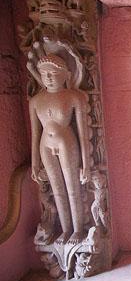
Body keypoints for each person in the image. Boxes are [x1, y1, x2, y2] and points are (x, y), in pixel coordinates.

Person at [30, 54, 90, 245]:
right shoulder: (36, 101)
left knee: (72, 188)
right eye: (44, 73)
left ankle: (78, 230)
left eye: (53, 73)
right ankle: (66, 230)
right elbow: (35, 134)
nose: (48, 77)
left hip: (66, 143)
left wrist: (86, 165)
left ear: (66, 75)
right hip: (44, 146)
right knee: (57, 190)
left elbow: (83, 134)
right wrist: (34, 163)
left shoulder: (73, 97)